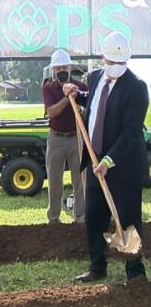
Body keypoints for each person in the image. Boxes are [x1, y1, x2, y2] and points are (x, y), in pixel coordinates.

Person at [64, 31, 148, 283]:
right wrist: (76, 95)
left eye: (120, 64)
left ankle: (135, 273)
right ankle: (97, 267)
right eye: (111, 62)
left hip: (123, 165)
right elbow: (97, 102)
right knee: (94, 217)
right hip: (94, 159)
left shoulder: (137, 88)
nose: (115, 68)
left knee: (129, 219)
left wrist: (109, 161)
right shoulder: (95, 76)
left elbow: (131, 132)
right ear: (103, 58)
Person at [42, 49, 87, 224]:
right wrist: (68, 97)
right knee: (54, 180)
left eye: (64, 66)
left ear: (69, 67)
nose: (61, 70)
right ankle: (54, 218)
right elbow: (51, 112)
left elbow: (86, 115)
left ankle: (80, 217)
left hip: (76, 137)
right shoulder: (49, 88)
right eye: (58, 67)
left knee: (79, 179)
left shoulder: (81, 87)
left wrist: (80, 105)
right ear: (54, 70)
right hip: (56, 138)